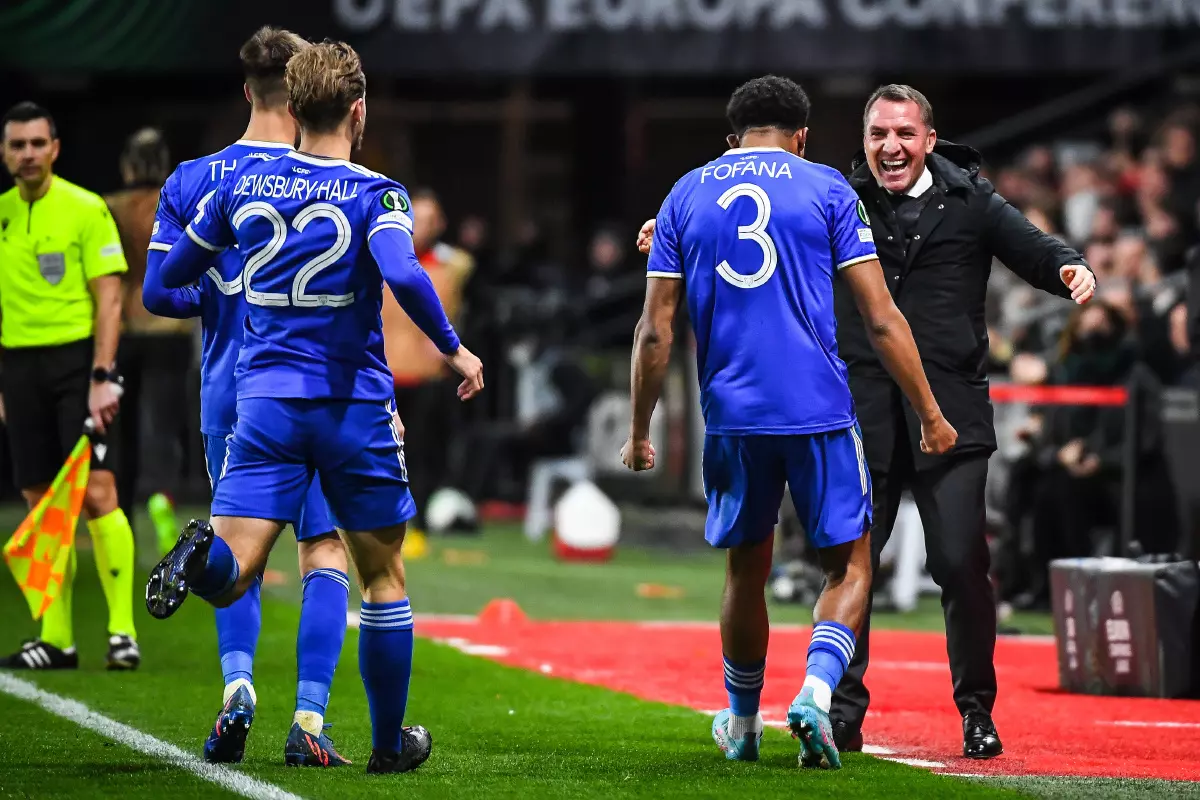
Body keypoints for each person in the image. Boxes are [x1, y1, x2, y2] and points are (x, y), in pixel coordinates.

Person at [145, 39, 483, 775]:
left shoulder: (238, 189)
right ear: (359, 110)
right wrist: (454, 348)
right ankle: (388, 746)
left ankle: (198, 557)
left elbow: (171, 277)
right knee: (381, 574)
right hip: (352, 408)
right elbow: (402, 271)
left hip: (261, 403)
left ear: (292, 110)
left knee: (236, 571)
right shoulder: (378, 193)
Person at [624, 75, 956, 769]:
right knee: (851, 561)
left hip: (734, 416)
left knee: (748, 566)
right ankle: (813, 691)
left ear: (731, 138)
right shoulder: (828, 188)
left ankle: (742, 726)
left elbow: (654, 331)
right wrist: (929, 411)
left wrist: (638, 429)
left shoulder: (686, 194)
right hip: (819, 410)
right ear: (802, 136)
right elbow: (880, 316)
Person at [142, 28, 356, 767]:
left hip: (228, 394)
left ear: (245, 90)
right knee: (324, 549)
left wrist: (216, 293)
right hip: (314, 392)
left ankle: (237, 694)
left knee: (238, 558)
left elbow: (157, 289)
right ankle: (309, 720)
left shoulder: (195, 179)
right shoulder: (323, 180)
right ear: (301, 92)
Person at [0, 101, 140, 672]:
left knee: (99, 491)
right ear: (5, 152)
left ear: (55, 148)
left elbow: (110, 298)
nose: (28, 153)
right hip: (19, 365)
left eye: (38, 143)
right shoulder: (3, 213)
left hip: (78, 364)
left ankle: (122, 632)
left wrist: (102, 376)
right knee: (40, 503)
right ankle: (56, 639)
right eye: (17, 144)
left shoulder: (86, 209)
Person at [105, 126, 194, 554]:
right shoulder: (177, 202)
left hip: (122, 328)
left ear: (126, 164)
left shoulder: (109, 208)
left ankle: (120, 515)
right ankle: (161, 492)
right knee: (163, 423)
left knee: (122, 429)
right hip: (169, 326)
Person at [382, 187, 473, 537]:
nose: (420, 226)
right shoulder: (384, 260)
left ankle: (415, 519)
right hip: (384, 372)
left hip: (427, 377)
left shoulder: (450, 269)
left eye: (428, 220)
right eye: (415, 218)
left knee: (422, 453)